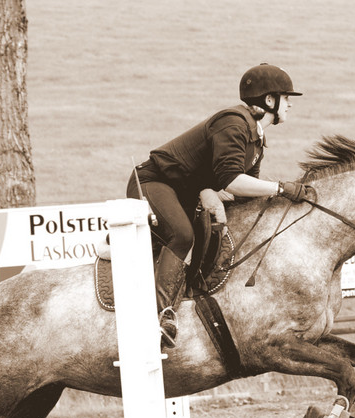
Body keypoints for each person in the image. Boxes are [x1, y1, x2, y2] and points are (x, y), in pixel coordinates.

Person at [127, 63, 312, 349]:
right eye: (287, 98)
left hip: (182, 192)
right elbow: (232, 181)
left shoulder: (257, 141)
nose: (290, 105)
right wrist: (282, 188)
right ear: (270, 100)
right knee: (183, 236)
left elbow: (245, 193)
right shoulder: (234, 123)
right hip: (153, 182)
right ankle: (159, 315)